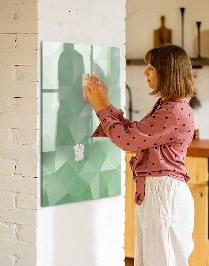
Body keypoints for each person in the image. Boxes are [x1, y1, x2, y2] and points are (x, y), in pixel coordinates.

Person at [83, 44, 196, 266]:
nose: (145, 72)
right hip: (158, 194)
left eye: (151, 67)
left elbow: (127, 141)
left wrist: (99, 108)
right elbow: (135, 133)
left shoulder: (173, 111)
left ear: (167, 71)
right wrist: (105, 103)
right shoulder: (169, 106)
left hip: (164, 196)